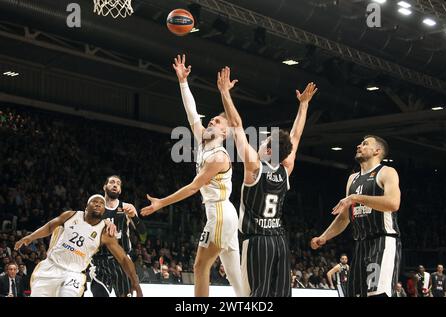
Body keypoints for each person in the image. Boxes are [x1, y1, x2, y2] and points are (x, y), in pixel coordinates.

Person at [140, 55, 244, 297]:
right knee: (235, 276)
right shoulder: (203, 142)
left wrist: (161, 203)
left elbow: (193, 187)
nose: (211, 121)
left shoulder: (219, 156)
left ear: (225, 132)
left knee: (200, 266)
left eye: (217, 121)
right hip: (223, 214)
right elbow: (192, 113)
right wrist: (183, 82)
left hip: (219, 214)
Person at [217, 66, 317, 297]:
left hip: (258, 241)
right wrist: (304, 105)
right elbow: (295, 136)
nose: (259, 144)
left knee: (256, 297)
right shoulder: (286, 168)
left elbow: (236, 125)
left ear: (269, 149)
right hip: (280, 240)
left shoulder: (254, 167)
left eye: (263, 143)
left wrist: (224, 93)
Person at [311, 135, 401, 297]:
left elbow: (393, 203)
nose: (359, 146)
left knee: (377, 294)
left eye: (365, 144)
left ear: (377, 151)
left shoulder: (387, 172)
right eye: (360, 143)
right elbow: (345, 216)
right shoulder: (353, 178)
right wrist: (324, 237)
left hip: (382, 241)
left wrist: (355, 198)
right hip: (361, 244)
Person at [14, 195, 143, 297]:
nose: (98, 204)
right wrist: (30, 237)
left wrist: (135, 282)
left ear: (104, 211)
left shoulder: (105, 233)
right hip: (51, 266)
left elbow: (123, 259)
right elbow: (49, 227)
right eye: (94, 201)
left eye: (101, 203)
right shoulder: (70, 215)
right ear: (86, 206)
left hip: (74, 274)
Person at [90, 175, 146, 297]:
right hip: (100, 262)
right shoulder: (95, 208)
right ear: (105, 186)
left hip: (122, 262)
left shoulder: (127, 207)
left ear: (120, 190)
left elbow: (143, 236)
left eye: (118, 183)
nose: (115, 185)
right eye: (112, 182)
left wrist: (134, 217)